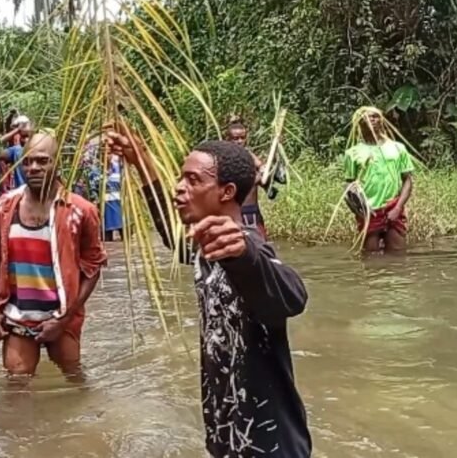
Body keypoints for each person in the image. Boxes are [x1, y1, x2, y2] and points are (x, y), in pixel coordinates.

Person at [105, 122, 311, 458]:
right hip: (225, 434)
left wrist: (244, 255)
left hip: (271, 445)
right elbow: (173, 237)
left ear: (226, 192)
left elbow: (293, 296)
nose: (179, 188)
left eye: (193, 180)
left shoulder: (247, 246)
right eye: (180, 177)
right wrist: (140, 159)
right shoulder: (206, 248)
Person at [0, 132, 107, 378]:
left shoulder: (80, 211)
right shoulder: (3, 207)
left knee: (75, 381)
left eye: (42, 161)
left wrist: (65, 318)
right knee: (15, 385)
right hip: (18, 318)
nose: (33, 168)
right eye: (27, 162)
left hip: (61, 316)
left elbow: (94, 265)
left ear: (57, 163)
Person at [342, 107, 414, 253]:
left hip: (392, 207)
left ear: (382, 121)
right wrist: (359, 211)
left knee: (398, 254)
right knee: (370, 257)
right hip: (369, 212)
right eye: (367, 117)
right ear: (359, 124)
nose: (372, 120)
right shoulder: (353, 153)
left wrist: (398, 207)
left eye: (375, 116)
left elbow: (407, 180)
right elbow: (349, 185)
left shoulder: (397, 148)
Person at [224, 121, 273, 239]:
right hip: (235, 213)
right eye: (235, 138)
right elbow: (235, 182)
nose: (240, 141)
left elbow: (264, 180)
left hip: (253, 214)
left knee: (261, 247)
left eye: (242, 138)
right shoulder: (225, 159)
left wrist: (268, 169)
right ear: (228, 139)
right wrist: (256, 177)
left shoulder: (250, 157)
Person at [102, 155, 124, 241]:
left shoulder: (117, 172)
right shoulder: (103, 173)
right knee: (111, 219)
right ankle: (109, 235)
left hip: (116, 197)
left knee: (118, 217)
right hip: (109, 198)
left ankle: (119, 233)